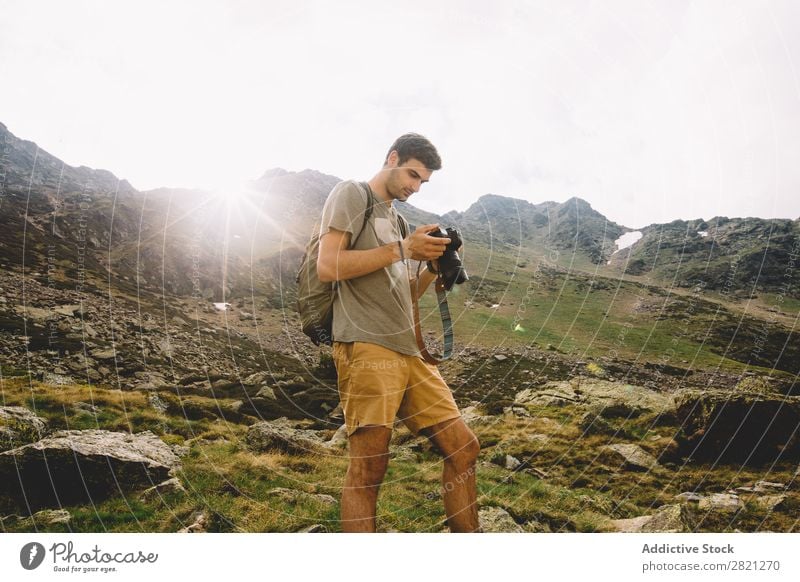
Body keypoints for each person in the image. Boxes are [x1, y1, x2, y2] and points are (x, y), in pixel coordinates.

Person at [317, 133, 481, 533]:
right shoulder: (352, 194)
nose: (415, 186)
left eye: (423, 181)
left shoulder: (398, 220)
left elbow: (403, 291)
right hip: (367, 343)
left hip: (410, 352)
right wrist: (403, 250)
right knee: (370, 467)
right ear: (391, 158)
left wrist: (430, 265)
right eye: (412, 174)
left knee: (464, 448)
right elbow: (328, 265)